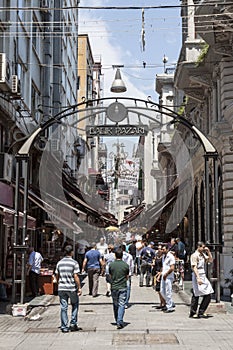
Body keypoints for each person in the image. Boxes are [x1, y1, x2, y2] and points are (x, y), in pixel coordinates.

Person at [55, 245, 82, 333]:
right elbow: (76, 276)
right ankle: (73, 323)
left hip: (62, 288)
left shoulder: (59, 263)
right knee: (75, 304)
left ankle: (64, 326)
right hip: (71, 288)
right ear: (72, 252)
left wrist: (59, 282)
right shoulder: (74, 263)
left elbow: (57, 275)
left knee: (64, 307)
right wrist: (79, 287)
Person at [189, 241, 214, 319]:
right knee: (196, 294)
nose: (204, 248)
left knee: (208, 293)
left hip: (203, 274)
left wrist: (208, 252)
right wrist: (198, 277)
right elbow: (194, 267)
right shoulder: (194, 255)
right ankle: (193, 312)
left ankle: (201, 311)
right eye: (203, 247)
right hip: (198, 274)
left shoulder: (202, 254)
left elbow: (210, 260)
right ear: (198, 247)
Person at [109, 248, 129, 329]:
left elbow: (110, 276)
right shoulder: (125, 265)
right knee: (122, 304)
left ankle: (117, 319)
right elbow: (127, 277)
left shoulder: (111, 265)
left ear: (115, 255)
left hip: (114, 287)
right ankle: (119, 321)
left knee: (115, 304)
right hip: (122, 287)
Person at [160, 243, 176, 313]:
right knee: (162, 291)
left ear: (167, 249)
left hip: (168, 277)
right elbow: (164, 267)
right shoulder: (164, 256)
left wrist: (166, 274)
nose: (162, 250)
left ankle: (169, 307)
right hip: (164, 276)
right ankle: (170, 302)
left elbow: (172, 268)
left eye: (163, 249)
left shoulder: (170, 256)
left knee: (168, 291)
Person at [120, 244, 134, 308]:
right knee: (128, 288)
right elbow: (132, 265)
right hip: (128, 274)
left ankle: (121, 301)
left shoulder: (119, 255)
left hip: (120, 273)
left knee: (120, 287)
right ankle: (126, 303)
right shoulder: (129, 256)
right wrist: (131, 272)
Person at [152, 245, 166, 309]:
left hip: (160, 274)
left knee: (161, 289)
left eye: (160, 249)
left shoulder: (163, 257)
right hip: (156, 273)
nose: (159, 250)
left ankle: (164, 303)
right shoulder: (156, 257)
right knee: (158, 290)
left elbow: (163, 267)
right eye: (158, 249)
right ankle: (161, 302)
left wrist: (160, 273)